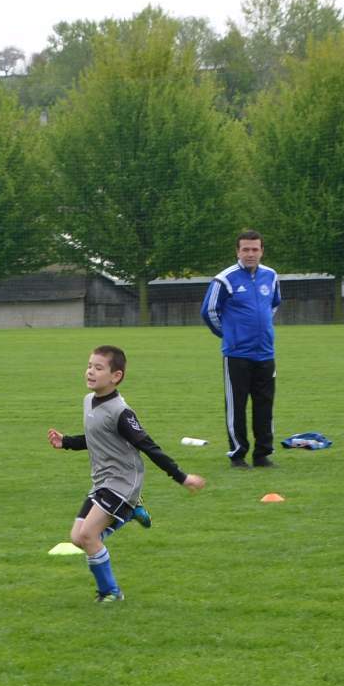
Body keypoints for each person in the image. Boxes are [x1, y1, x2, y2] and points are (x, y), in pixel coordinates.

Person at [47, 345, 205, 603]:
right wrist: (66, 442)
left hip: (123, 482)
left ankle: (110, 592)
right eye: (89, 366)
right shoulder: (88, 401)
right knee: (78, 538)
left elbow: (149, 446)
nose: (90, 371)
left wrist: (182, 477)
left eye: (98, 368)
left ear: (116, 376)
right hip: (102, 482)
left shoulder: (121, 412)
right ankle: (129, 513)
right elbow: (96, 437)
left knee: (88, 536)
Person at [200, 230, 281, 469]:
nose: (250, 254)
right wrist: (229, 335)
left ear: (262, 251)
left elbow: (273, 305)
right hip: (237, 355)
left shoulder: (271, 276)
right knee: (237, 406)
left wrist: (262, 329)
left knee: (265, 405)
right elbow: (209, 311)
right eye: (245, 249)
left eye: (255, 249)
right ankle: (238, 454)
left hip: (265, 352)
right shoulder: (224, 279)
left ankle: (262, 454)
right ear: (238, 251)